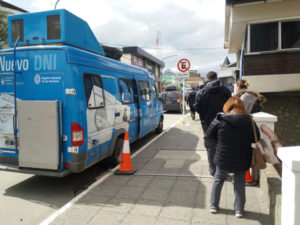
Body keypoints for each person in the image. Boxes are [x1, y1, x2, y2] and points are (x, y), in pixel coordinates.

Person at [206, 96, 260, 218]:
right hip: (242, 156)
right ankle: (239, 210)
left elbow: (209, 136)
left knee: (218, 179)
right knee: (239, 182)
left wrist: (217, 147)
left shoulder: (220, 120)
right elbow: (257, 137)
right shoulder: (249, 121)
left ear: (227, 107)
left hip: (223, 156)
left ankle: (213, 205)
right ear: (242, 107)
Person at [194, 71, 231, 176]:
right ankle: (223, 170)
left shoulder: (201, 92)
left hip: (207, 124)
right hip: (224, 122)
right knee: (223, 145)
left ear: (207, 78)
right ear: (217, 78)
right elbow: (230, 106)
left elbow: (197, 108)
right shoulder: (225, 91)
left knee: (211, 147)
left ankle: (213, 170)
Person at [236, 79, 266, 186]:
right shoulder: (250, 94)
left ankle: (250, 178)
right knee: (252, 151)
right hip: (252, 125)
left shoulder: (244, 96)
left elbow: (240, 112)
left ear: (238, 86)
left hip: (248, 126)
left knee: (248, 153)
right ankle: (253, 177)